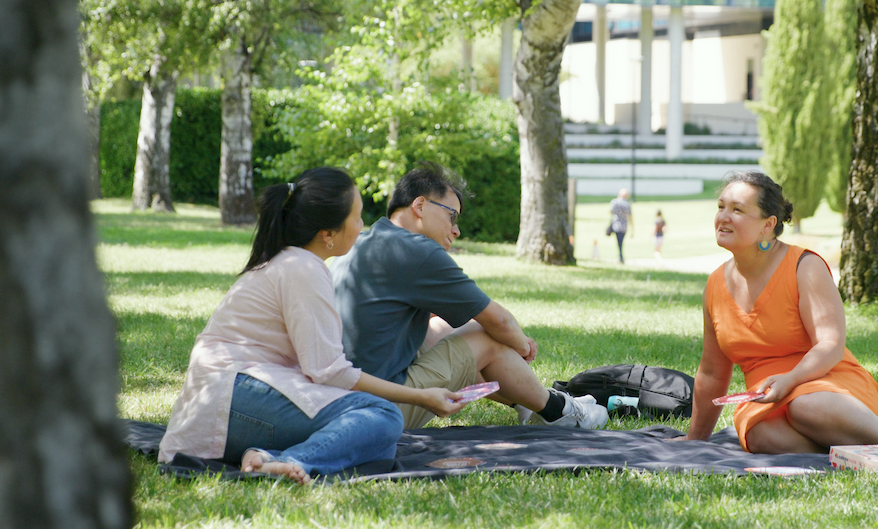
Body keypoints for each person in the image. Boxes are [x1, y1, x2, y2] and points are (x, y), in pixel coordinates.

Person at [158, 167, 464, 485]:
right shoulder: (302, 268)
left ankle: (263, 455)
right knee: (384, 417)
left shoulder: (291, 261)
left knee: (380, 443)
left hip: (229, 398)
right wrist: (422, 396)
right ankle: (284, 461)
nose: (362, 227)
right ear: (328, 234)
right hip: (233, 397)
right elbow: (330, 373)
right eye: (357, 218)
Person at [680, 171, 878, 461]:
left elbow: (830, 345)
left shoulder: (804, 266)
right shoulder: (715, 285)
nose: (724, 217)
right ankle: (871, 444)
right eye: (721, 207)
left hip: (828, 384)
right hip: (766, 398)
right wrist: (695, 439)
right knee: (759, 435)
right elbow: (713, 372)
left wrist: (791, 380)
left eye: (737, 209)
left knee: (803, 406)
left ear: (768, 225)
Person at [333, 162, 608, 431]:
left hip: (341, 402)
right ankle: (559, 412)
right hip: (380, 410)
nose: (456, 229)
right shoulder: (417, 251)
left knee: (443, 328)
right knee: (488, 337)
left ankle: (531, 403)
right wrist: (522, 347)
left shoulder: (367, 243)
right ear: (419, 206)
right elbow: (498, 321)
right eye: (452, 216)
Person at [609, 188, 632, 264]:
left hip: (616, 225)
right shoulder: (627, 204)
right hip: (624, 226)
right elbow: (630, 217)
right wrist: (632, 229)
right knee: (621, 242)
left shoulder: (614, 202)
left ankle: (620, 256)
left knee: (619, 242)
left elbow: (610, 212)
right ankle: (621, 256)